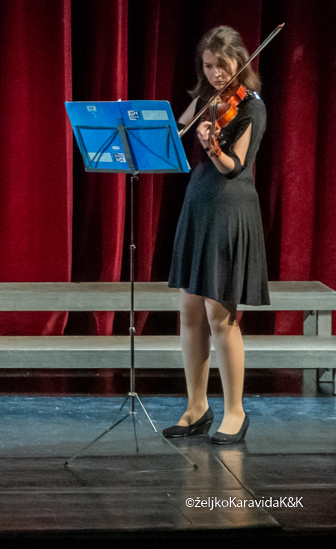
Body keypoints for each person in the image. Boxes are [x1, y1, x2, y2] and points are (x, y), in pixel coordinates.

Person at [164, 26, 268, 444]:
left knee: (219, 315)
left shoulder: (252, 107)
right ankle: (196, 406)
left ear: (238, 62)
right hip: (198, 204)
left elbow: (233, 167)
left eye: (221, 66)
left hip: (229, 209)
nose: (215, 74)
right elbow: (172, 137)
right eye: (208, 66)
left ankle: (235, 411)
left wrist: (212, 146)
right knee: (190, 311)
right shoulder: (205, 100)